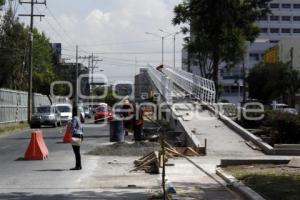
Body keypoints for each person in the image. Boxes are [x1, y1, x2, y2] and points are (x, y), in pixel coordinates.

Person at [70, 105, 83, 170]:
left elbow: (72, 127)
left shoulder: (74, 118)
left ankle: (77, 166)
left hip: (76, 135)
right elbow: (81, 128)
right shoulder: (78, 118)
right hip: (80, 135)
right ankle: (79, 165)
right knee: (78, 152)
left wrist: (70, 130)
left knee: (76, 152)